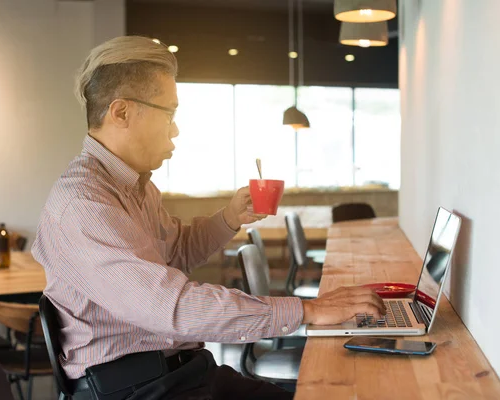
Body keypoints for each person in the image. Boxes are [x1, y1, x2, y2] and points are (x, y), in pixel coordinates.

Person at [32, 36, 385, 400]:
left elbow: (176, 253)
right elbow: (172, 306)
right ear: (120, 112)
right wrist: (307, 309)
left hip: (179, 372)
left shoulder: (136, 187)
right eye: (168, 113)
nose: (175, 130)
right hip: (133, 389)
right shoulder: (84, 204)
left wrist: (229, 218)